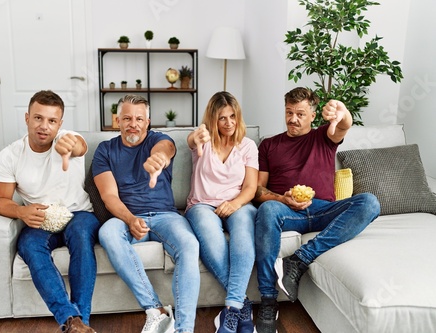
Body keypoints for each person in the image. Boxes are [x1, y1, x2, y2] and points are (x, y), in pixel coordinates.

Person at [253, 87, 381, 333]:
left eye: (300, 114)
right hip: (286, 211)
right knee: (267, 208)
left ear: (313, 116)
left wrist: (342, 111)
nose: (293, 119)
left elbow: (343, 125)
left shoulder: (323, 135)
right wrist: (283, 199)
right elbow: (257, 191)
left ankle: (299, 259)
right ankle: (269, 301)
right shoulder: (269, 145)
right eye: (289, 112)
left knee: (369, 202)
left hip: (323, 209)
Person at [0, 90, 100, 333]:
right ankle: (72, 320)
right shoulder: (10, 156)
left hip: (79, 214)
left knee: (81, 237)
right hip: (40, 219)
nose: (44, 126)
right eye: (38, 118)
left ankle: (81, 319)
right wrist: (21, 212)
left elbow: (79, 146)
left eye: (52, 121)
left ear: (60, 124)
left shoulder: (70, 139)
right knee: (28, 245)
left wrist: (68, 145)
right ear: (27, 118)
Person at [92, 94, 200, 333]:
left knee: (189, 245)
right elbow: (109, 196)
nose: (134, 124)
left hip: (166, 215)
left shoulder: (159, 140)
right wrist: (130, 219)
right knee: (107, 232)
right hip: (125, 217)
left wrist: (159, 157)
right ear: (116, 120)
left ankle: (185, 329)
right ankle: (156, 310)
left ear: (148, 121)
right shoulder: (105, 150)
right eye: (127, 118)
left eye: (140, 118)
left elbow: (167, 148)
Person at [184, 91, 258, 333]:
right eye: (222, 118)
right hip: (202, 204)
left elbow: (250, 187)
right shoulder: (202, 141)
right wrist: (197, 135)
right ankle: (243, 305)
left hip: (238, 202)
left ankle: (231, 310)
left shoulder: (247, 146)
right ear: (212, 120)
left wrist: (235, 204)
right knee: (212, 239)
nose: (228, 123)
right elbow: (191, 139)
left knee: (244, 235)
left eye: (232, 116)